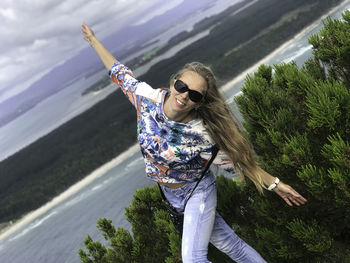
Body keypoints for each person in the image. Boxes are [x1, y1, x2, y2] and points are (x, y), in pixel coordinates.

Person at [81, 23, 307, 263]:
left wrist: (275, 184)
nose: (185, 95)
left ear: (199, 103)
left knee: (193, 259)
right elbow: (120, 73)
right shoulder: (146, 99)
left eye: (195, 95)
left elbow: (241, 164)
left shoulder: (202, 134)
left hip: (197, 192)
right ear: (173, 82)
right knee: (232, 246)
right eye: (181, 86)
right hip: (170, 195)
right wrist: (94, 40)